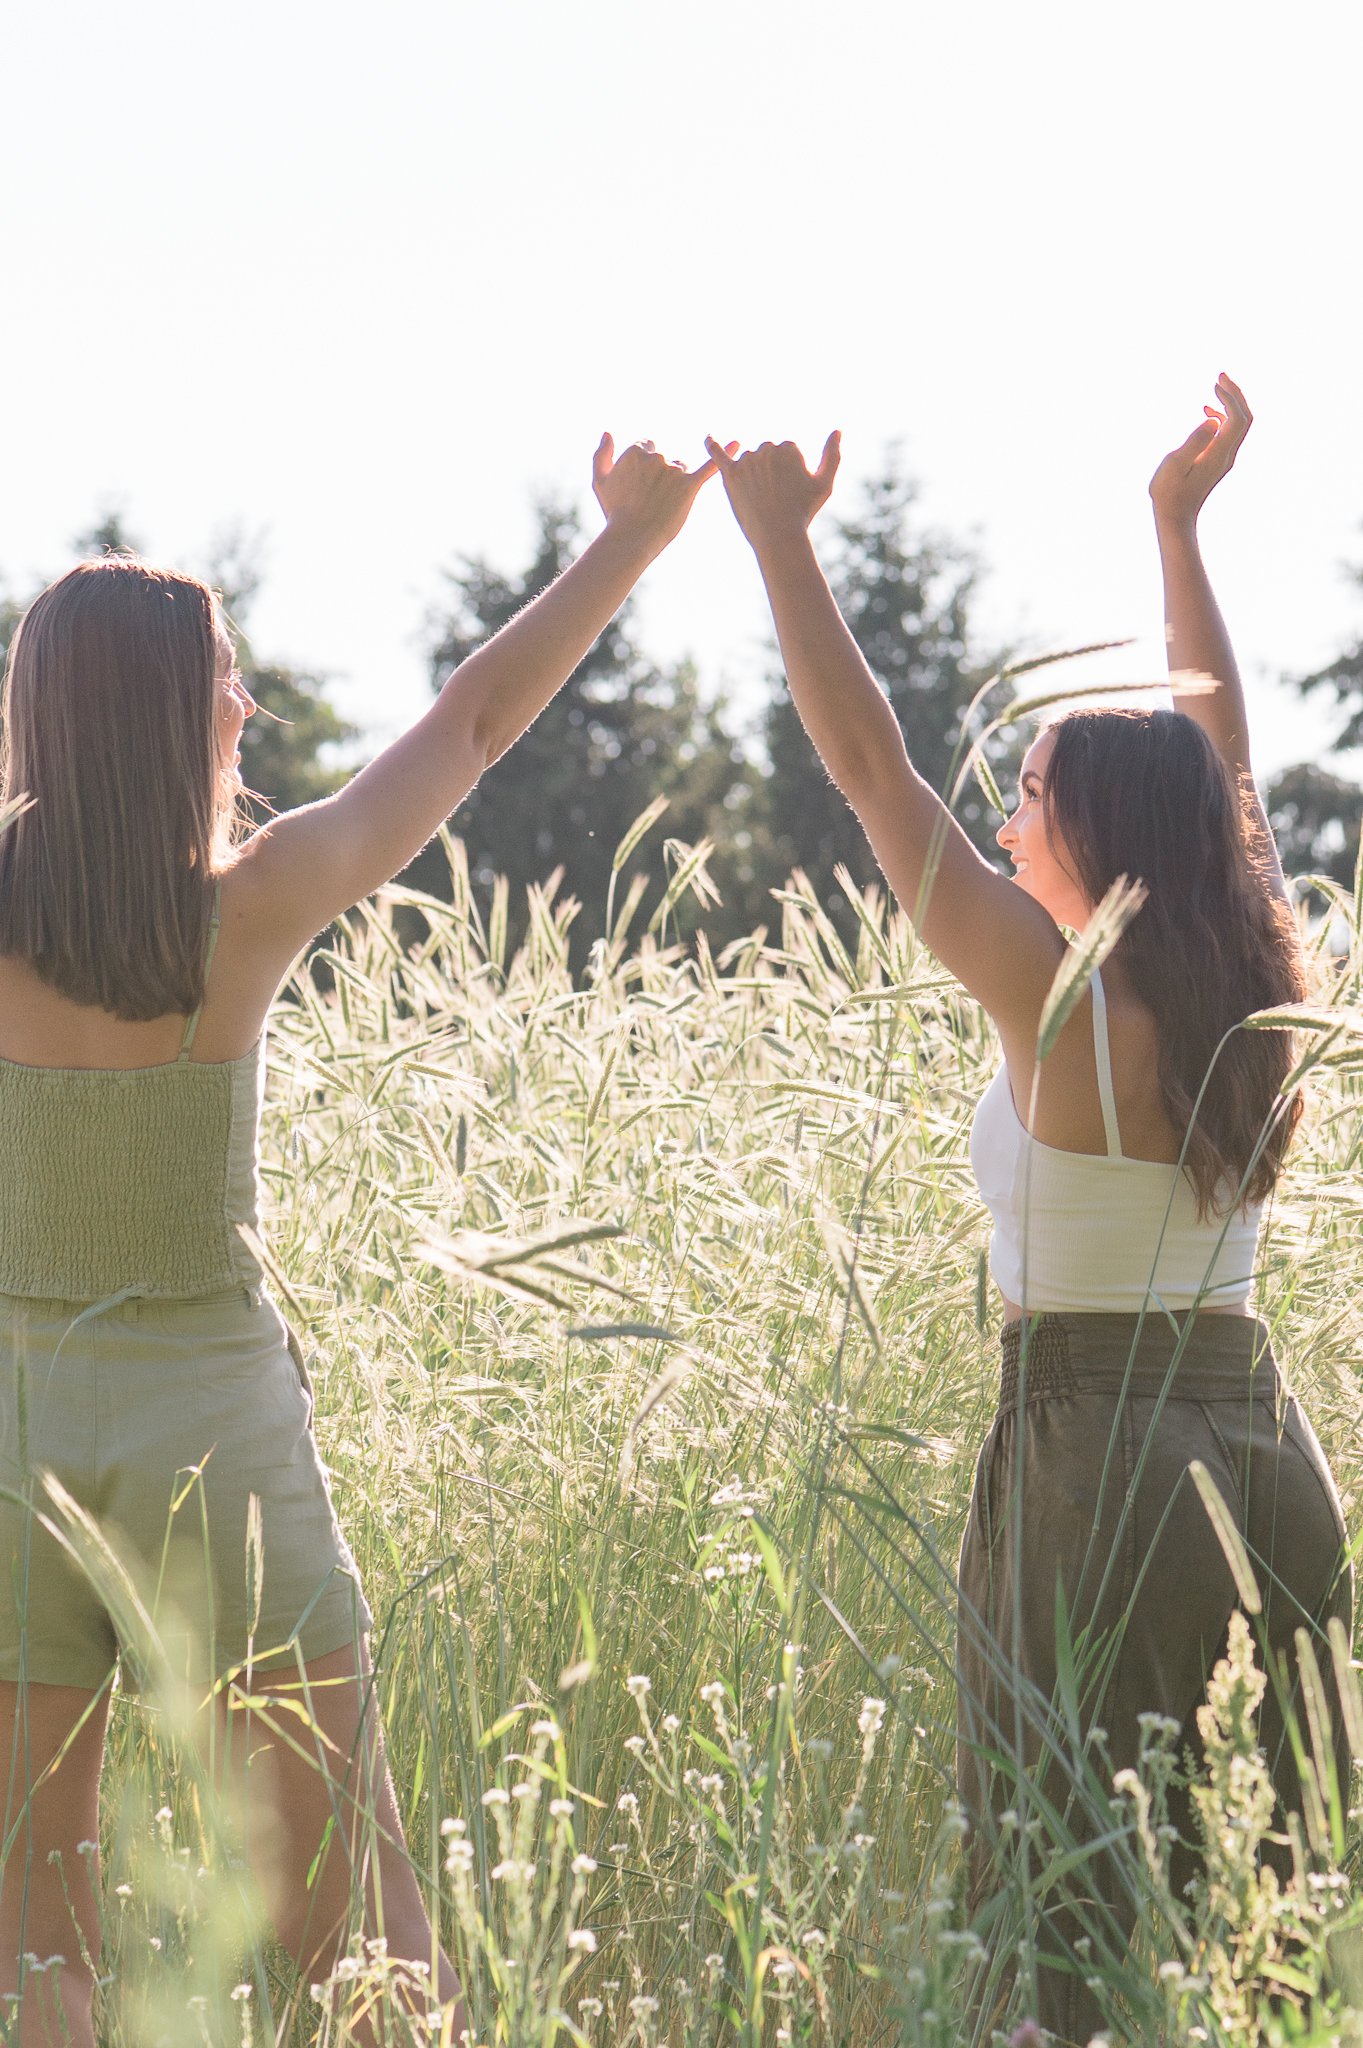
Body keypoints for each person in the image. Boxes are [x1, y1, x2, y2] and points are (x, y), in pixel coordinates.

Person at [0, 434, 721, 2047]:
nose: (244, 709)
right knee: (349, 1922)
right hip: (217, 1439)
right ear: (166, 715)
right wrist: (631, 544)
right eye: (226, 681)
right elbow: (469, 722)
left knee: (29, 1940)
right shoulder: (250, 905)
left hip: (9, 1436)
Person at [704, 384, 1352, 2046]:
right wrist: (1178, 529)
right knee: (1264, 1908)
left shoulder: (1058, 996)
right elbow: (1233, 776)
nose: (1004, 813)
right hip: (1263, 1447)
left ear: (1103, 833)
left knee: (1072, 1904)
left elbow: (868, 770)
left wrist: (779, 546)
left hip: (1097, 1456)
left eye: (1036, 788)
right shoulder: (1248, 983)